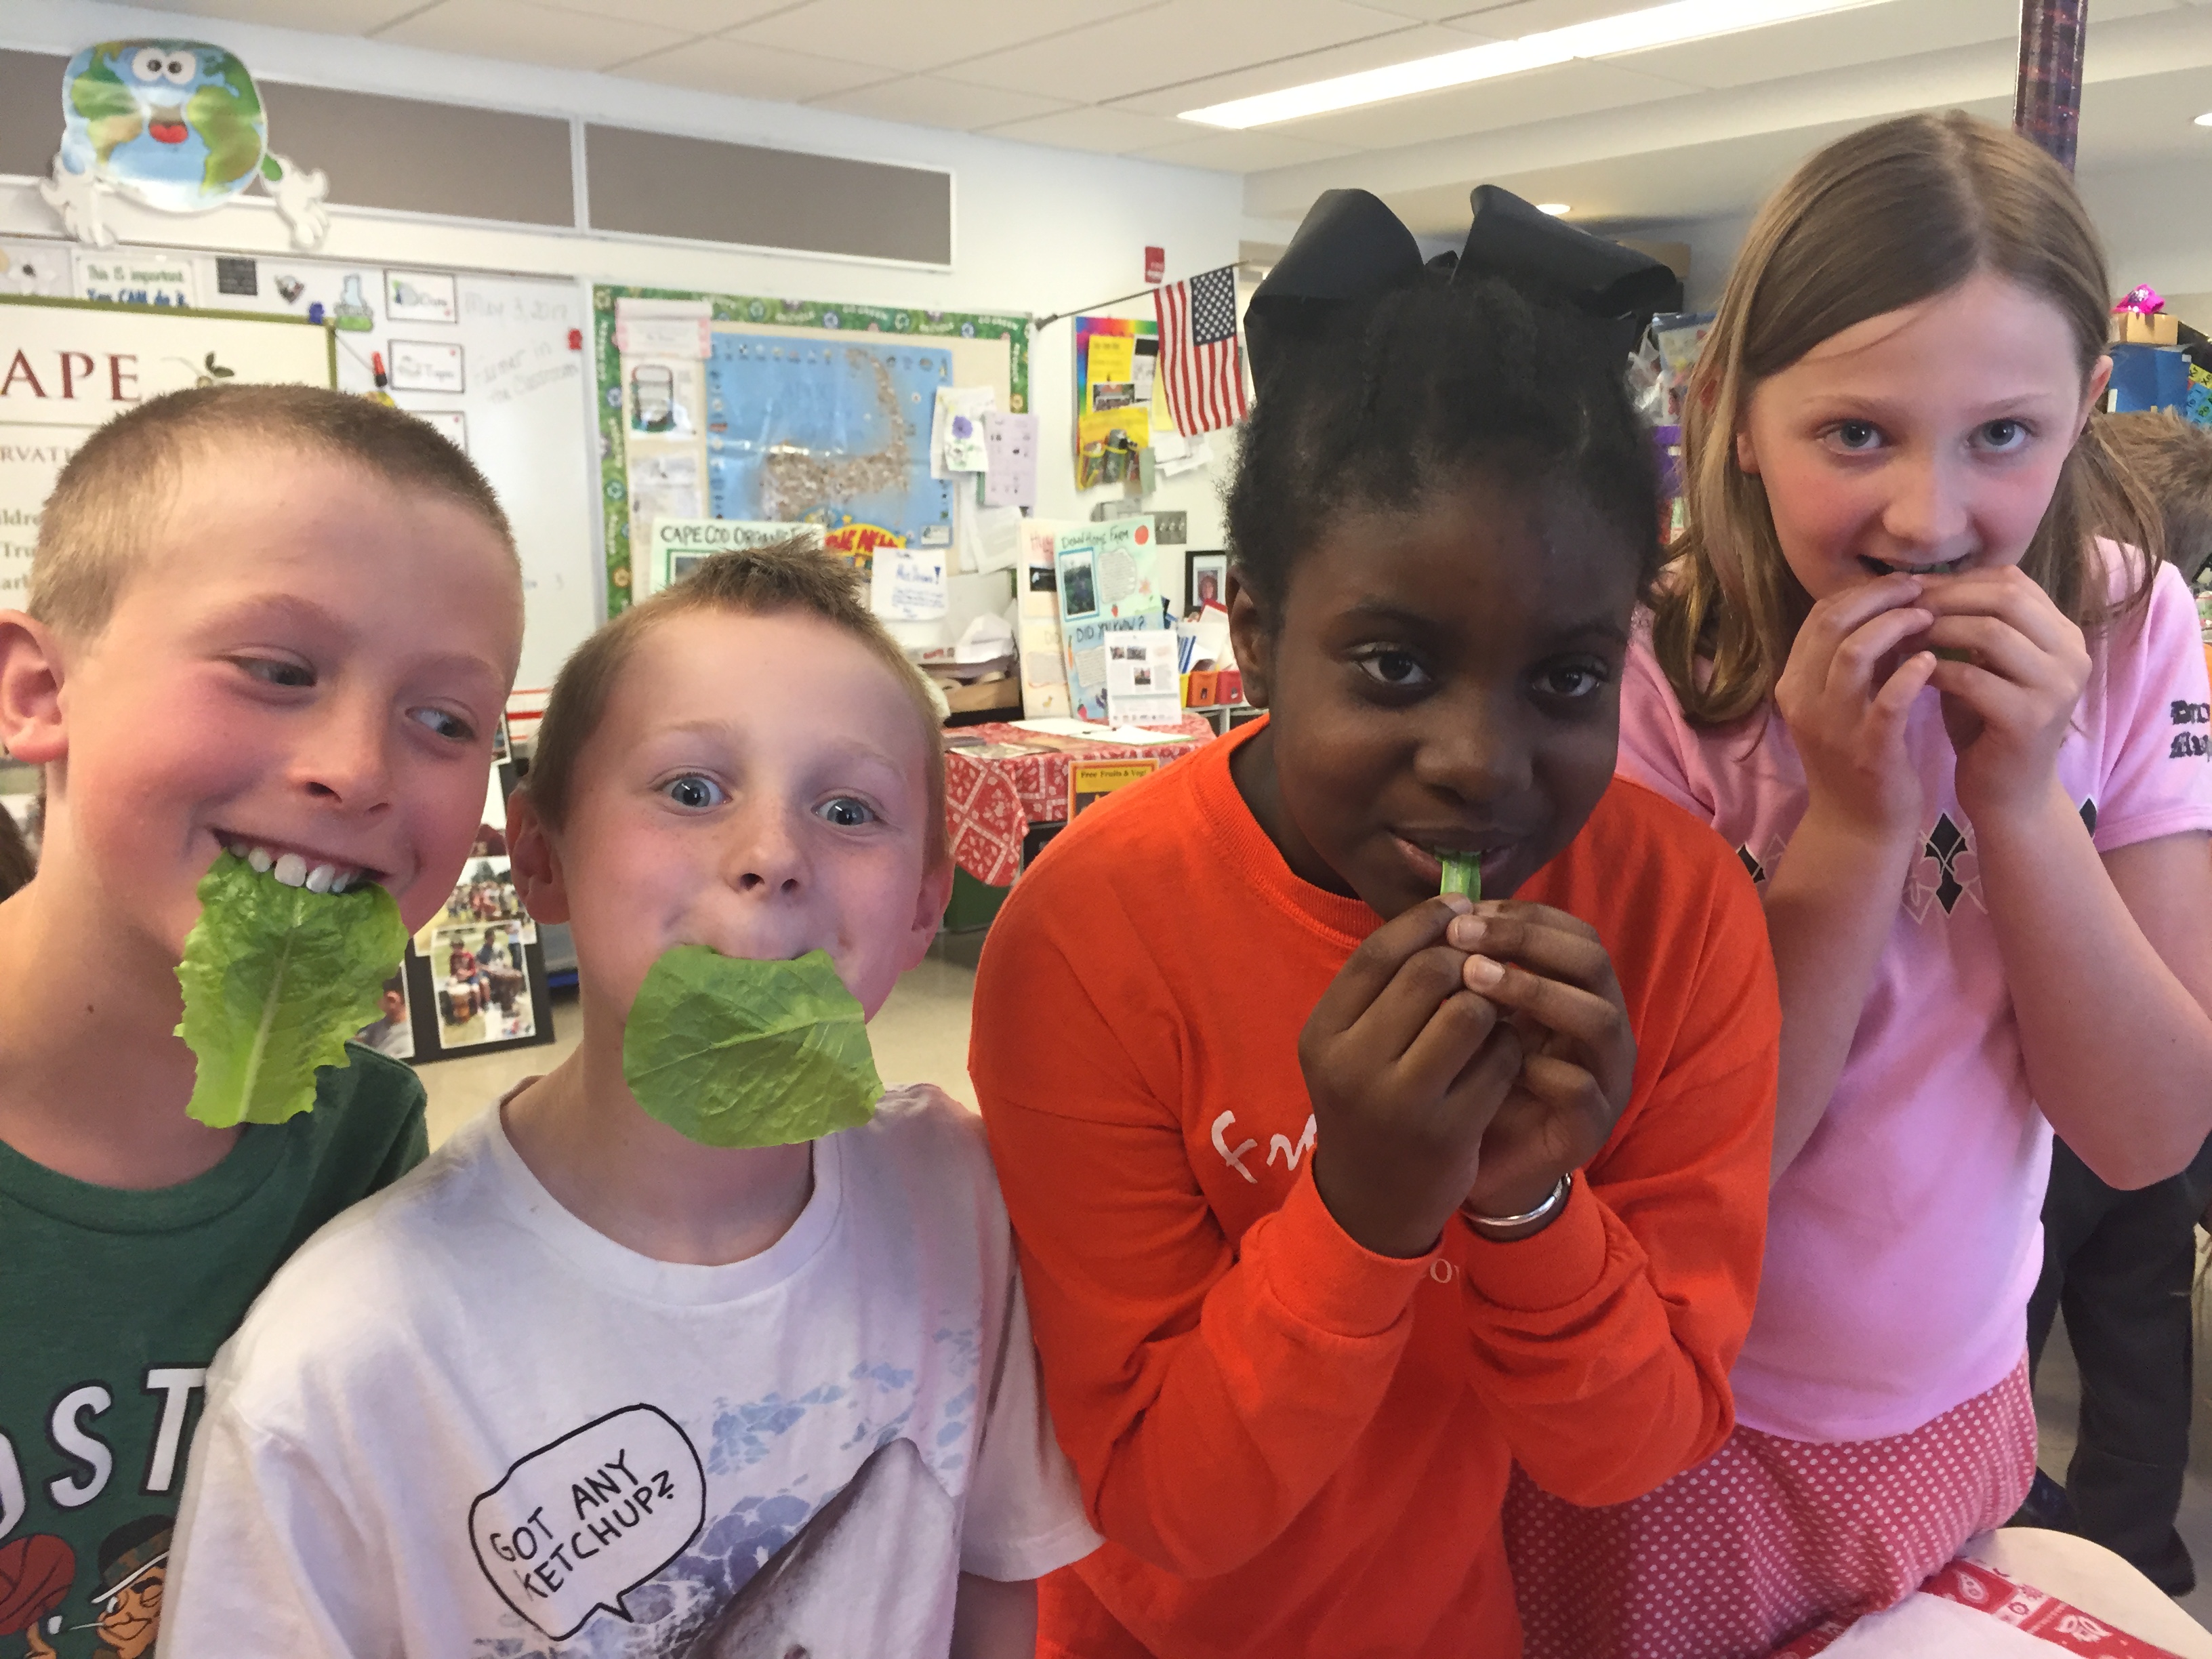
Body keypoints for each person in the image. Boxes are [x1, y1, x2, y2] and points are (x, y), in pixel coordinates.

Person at [968, 209, 1781, 1658]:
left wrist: (1528, 1203)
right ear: (1255, 634)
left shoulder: (1675, 916)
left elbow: (1633, 1452)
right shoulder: (1088, 935)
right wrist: (1363, 1210)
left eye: (1567, 677)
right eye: (1395, 665)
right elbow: (1162, 1501)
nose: (1481, 760)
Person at [1505, 112, 2212, 1658]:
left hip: (1962, 1396)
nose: (1926, 516)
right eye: (1855, 435)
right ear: (1732, 418)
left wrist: (2021, 802)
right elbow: (1691, 1160)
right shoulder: (1648, 669)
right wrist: (1849, 825)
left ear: (2089, 410)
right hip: (1690, 1417)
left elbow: (2150, 1128)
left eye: (2003, 436)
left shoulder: (2132, 624)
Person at [161, 540, 1097, 1659]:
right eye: (691, 790)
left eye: (849, 810)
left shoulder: (955, 1194)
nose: (772, 855)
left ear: (925, 905)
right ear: (542, 855)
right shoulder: (345, 1360)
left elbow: (992, 1575)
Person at [0, 384, 525, 1659]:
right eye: (277, 670)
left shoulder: (364, 1149)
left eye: (444, 721)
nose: (358, 765)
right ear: (36, 694)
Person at [2011, 408, 2212, 1593]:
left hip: (2089, 1064)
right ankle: (2135, 1539)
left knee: (2040, 1300)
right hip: (2135, 1059)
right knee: (2133, 1316)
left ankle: (2051, 1522)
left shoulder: (2146, 648)